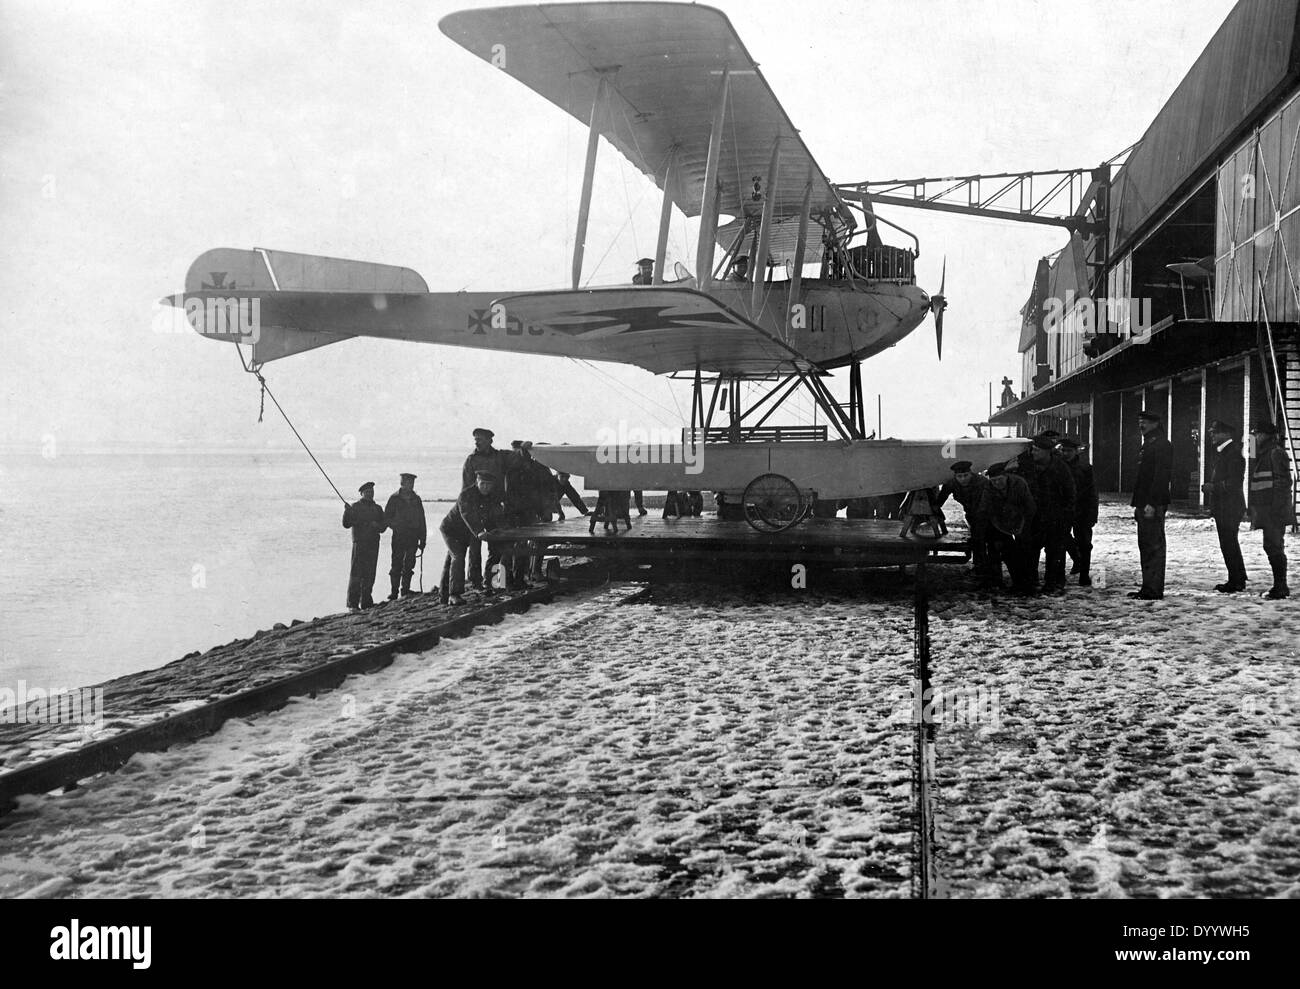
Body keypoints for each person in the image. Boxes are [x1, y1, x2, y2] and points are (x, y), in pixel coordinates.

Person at [439, 470, 505, 606]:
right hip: (452, 531)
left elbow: (491, 516)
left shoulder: (490, 497)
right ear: (477, 482)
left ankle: (445, 594)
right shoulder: (466, 495)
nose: (485, 487)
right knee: (457, 557)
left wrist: (497, 530)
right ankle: (454, 594)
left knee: (456, 559)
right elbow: (468, 514)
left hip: (469, 532)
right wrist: (479, 531)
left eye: (488, 485)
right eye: (483, 484)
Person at [1023, 436, 1075, 594]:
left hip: (1055, 516)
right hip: (1035, 516)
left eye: (1037, 450)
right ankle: (1031, 582)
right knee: (1031, 550)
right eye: (1032, 450)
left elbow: (1070, 493)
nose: (1033, 453)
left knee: (1055, 551)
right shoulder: (1029, 466)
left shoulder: (1060, 467)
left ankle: (1055, 583)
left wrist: (1066, 517)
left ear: (1047, 452)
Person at [1248, 421, 1294, 599]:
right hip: (1266, 509)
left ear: (1267, 435)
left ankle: (1280, 587)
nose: (1255, 437)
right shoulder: (1263, 453)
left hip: (1274, 510)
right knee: (1271, 546)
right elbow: (1251, 459)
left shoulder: (1275, 453)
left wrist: (1276, 509)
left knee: (1274, 546)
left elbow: (1283, 483)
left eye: (1257, 434)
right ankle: (1279, 585)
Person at [1128, 410, 1171, 600]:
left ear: (1156, 423)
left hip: (1152, 503)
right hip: (1144, 502)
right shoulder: (1150, 443)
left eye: (1145, 421)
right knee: (1146, 545)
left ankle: (1153, 589)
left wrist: (1152, 503)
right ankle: (1148, 587)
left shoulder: (1161, 444)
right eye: (1140, 421)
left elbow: (1161, 477)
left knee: (1153, 546)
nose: (1141, 425)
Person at [1202, 420, 1247, 593]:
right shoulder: (1227, 452)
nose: (1211, 434)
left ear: (1226, 434)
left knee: (1229, 544)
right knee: (1229, 543)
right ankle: (1237, 578)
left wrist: (1213, 487)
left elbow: (1234, 483)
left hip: (1229, 506)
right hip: (1226, 506)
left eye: (1214, 432)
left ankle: (1236, 581)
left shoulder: (1232, 453)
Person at [977, 463, 1036, 591]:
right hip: (999, 523)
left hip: (1021, 519)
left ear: (1006, 476)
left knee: (1025, 550)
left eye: (1000, 479)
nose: (997, 483)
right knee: (1005, 550)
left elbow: (1029, 507)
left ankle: (1027, 583)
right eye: (994, 481)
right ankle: (1002, 582)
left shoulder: (1019, 483)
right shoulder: (988, 487)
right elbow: (984, 509)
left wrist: (1023, 528)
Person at [462, 427, 507, 590]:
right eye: (475, 439)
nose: (477, 442)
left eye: (480, 439)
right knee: (475, 546)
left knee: (498, 545)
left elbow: (504, 478)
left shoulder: (498, 457)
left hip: (494, 506)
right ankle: (475, 582)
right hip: (475, 507)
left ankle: (495, 580)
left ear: (489, 440)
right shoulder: (471, 460)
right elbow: (466, 488)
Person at [937, 460, 989, 576]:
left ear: (971, 474)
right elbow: (941, 498)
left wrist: (978, 521)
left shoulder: (982, 482)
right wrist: (935, 511)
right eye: (959, 476)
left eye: (966, 475)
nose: (963, 479)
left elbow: (984, 505)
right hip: (971, 512)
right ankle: (979, 565)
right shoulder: (952, 483)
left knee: (981, 538)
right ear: (955, 476)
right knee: (977, 537)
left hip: (987, 512)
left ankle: (983, 568)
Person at [1059, 438, 1099, 586]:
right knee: (1062, 540)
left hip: (1082, 511)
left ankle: (1084, 576)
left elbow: (1092, 493)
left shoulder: (1085, 468)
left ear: (1076, 451)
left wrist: (1092, 514)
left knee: (1085, 544)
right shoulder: (1059, 466)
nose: (1065, 453)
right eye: (1063, 450)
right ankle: (1061, 576)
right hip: (1064, 511)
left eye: (1069, 450)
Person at [342, 481, 387, 611]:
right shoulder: (354, 507)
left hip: (373, 544)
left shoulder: (378, 509)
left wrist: (376, 526)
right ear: (362, 493)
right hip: (360, 543)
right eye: (367, 492)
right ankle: (353, 604)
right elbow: (346, 524)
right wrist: (346, 512)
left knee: (370, 574)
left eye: (371, 492)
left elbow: (383, 527)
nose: (370, 494)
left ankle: (366, 602)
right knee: (356, 574)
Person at [384, 472, 426, 599]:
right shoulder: (394, 498)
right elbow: (387, 518)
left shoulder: (416, 499)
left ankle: (405, 590)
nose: (411, 485)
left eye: (412, 483)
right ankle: (394, 592)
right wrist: (396, 526)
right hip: (399, 536)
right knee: (396, 563)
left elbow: (422, 520)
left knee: (409, 563)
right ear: (402, 483)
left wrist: (423, 539)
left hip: (413, 536)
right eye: (408, 482)